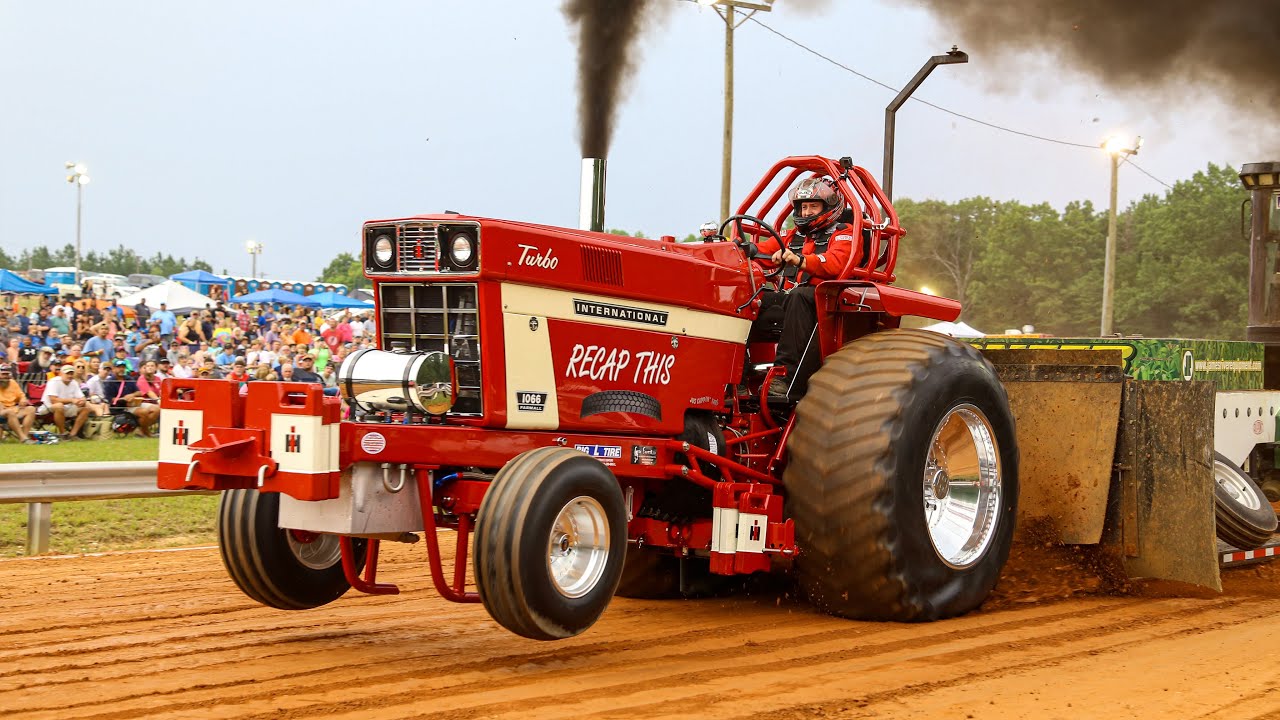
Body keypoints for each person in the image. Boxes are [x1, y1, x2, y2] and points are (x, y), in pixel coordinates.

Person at [751, 176, 857, 402]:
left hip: (824, 301)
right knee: (750, 297)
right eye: (804, 207)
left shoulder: (844, 233)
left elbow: (836, 262)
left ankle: (783, 377)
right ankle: (739, 375)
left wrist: (801, 260)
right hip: (792, 299)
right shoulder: (793, 236)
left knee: (799, 296)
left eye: (813, 206)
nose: (807, 212)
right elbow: (764, 251)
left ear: (827, 207)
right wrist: (743, 248)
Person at [40, 364, 107, 439]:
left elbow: (82, 397)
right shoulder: (54, 381)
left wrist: (82, 401)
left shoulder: (74, 383)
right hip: (49, 407)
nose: (69, 376)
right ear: (61, 374)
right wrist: (72, 400)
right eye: (67, 373)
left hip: (67, 407)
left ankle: (72, 434)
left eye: (71, 373)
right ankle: (63, 433)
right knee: (59, 406)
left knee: (86, 408)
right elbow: (53, 400)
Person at [103, 360, 159, 437]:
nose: (121, 369)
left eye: (123, 367)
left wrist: (132, 395)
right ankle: (147, 433)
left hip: (134, 403)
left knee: (157, 409)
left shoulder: (129, 379)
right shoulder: (110, 382)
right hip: (122, 407)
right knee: (144, 412)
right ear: (114, 369)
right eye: (119, 367)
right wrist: (123, 399)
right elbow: (109, 399)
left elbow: (139, 392)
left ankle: (141, 430)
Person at [0, 363, 37, 443]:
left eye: (7, 374)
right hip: (2, 410)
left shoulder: (12, 382)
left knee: (31, 409)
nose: (6, 377)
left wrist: (22, 399)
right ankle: (22, 438)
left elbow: (21, 395)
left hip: (13, 409)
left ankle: (25, 437)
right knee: (9, 412)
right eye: (3, 374)